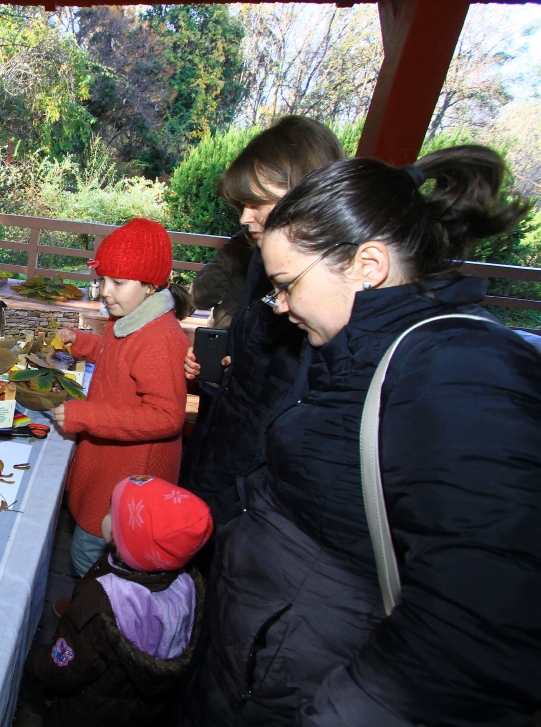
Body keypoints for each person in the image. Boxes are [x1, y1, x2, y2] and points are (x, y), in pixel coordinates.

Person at [188, 146, 541, 726]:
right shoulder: (347, 348)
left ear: (367, 265)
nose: (277, 306)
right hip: (258, 671)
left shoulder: (462, 371)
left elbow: (478, 630)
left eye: (286, 284)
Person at [181, 117, 344, 520]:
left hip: (257, 483)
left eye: (257, 204)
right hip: (224, 432)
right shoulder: (258, 257)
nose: (243, 218)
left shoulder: (336, 295)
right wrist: (225, 368)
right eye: (241, 205)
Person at [53, 218, 190, 578]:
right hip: (108, 463)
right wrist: (83, 344)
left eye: (117, 282)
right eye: (101, 280)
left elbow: (166, 416)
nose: (104, 292)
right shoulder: (128, 319)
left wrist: (86, 416)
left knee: (91, 556)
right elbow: (115, 357)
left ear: (149, 285)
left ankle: (96, 618)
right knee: (96, 550)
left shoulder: (160, 337)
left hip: (128, 473)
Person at [27, 475, 212, 727]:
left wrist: (31, 658)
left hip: (86, 711)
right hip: (142, 710)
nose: (105, 517)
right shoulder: (187, 582)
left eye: (111, 513)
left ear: (124, 539)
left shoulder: (99, 603)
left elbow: (65, 670)